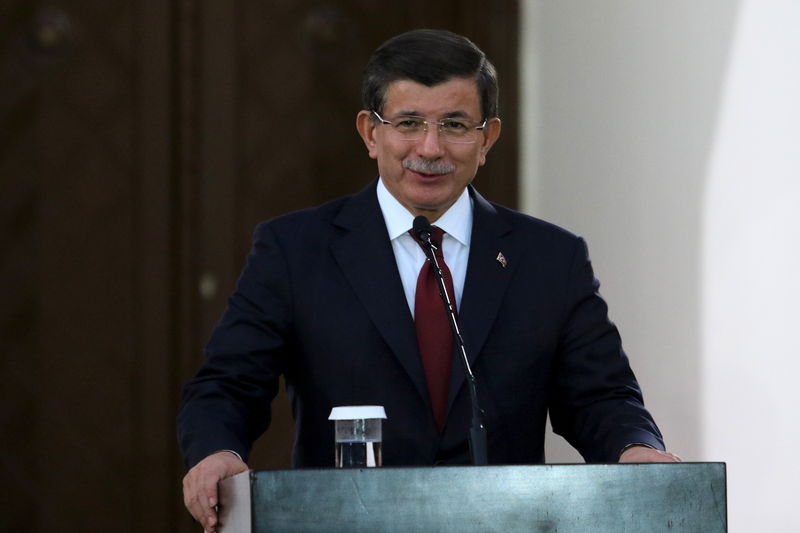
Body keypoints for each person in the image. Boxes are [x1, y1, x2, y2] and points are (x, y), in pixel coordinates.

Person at [178, 29, 679, 531]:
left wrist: (635, 448)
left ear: (488, 139)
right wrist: (218, 450)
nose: (431, 147)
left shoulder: (549, 258)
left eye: (455, 124)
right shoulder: (295, 250)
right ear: (370, 134)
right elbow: (229, 383)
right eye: (409, 123)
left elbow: (601, 395)